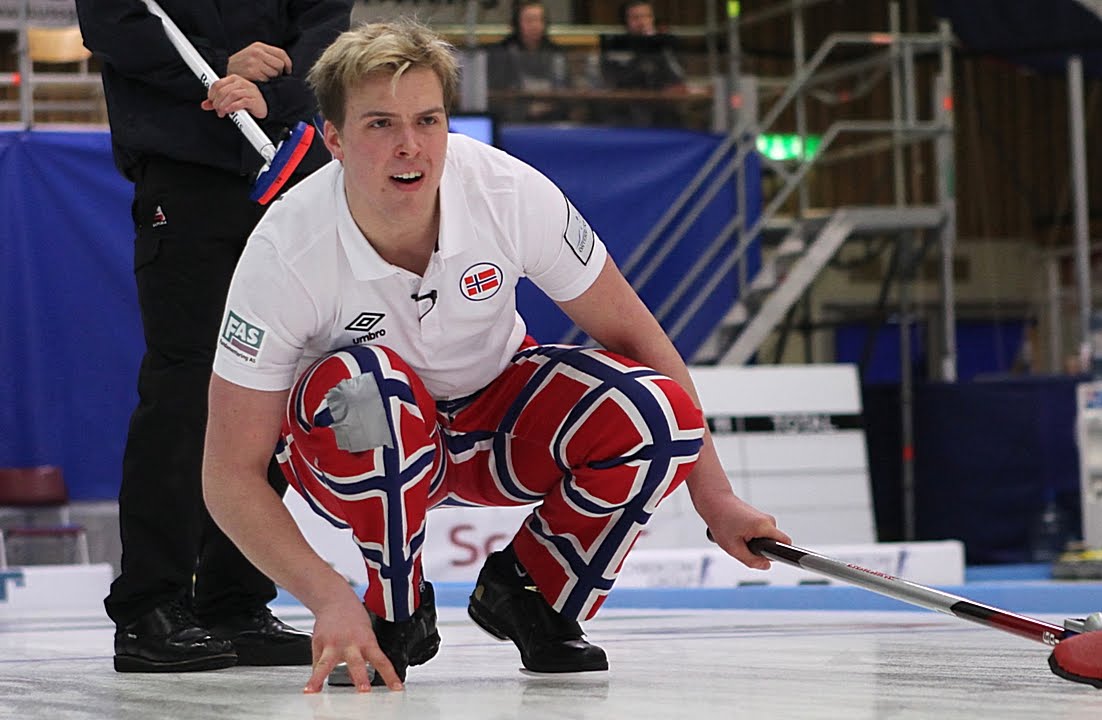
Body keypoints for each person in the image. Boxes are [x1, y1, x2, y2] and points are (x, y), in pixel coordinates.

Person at [202, 18, 791, 693]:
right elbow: (228, 475)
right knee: (369, 388)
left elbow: (640, 339)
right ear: (333, 139)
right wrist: (327, 597)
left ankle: (531, 595)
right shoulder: (284, 251)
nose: (410, 147)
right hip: (363, 443)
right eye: (380, 125)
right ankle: (391, 606)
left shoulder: (509, 191)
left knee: (659, 412)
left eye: (428, 119)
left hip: (492, 431)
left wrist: (715, 499)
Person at [75, 0, 352, 673]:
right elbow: (112, 24)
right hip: (185, 176)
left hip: (285, 165)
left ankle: (235, 599)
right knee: (186, 389)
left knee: (278, 385)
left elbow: (324, 26)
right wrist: (215, 69)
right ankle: (150, 606)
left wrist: (272, 90)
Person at [599, 1, 686, 126]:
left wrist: (655, 43)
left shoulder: (666, 44)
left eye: (647, 16)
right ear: (626, 21)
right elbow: (612, 82)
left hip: (662, 111)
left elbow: (677, 78)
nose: (642, 22)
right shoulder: (616, 45)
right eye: (635, 18)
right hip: (625, 112)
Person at [485, 0, 570, 122]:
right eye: (529, 20)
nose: (535, 25)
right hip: (513, 120)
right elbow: (497, 95)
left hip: (553, 118)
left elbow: (565, 90)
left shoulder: (556, 53)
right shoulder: (501, 52)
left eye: (539, 20)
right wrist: (525, 109)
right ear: (517, 24)